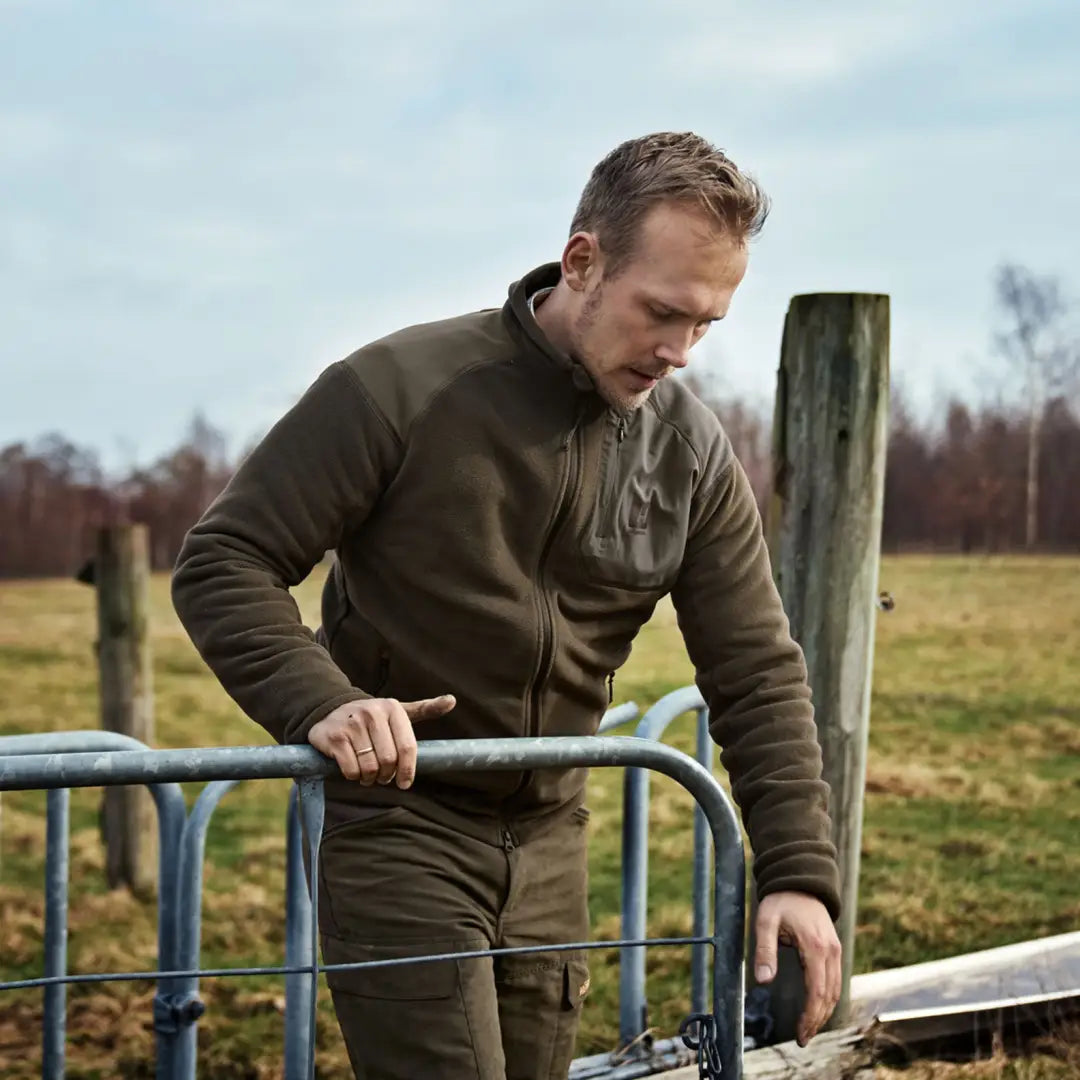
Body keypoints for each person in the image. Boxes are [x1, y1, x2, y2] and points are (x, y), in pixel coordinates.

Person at [172, 131, 843, 1080]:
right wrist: (325, 702)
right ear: (583, 262)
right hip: (400, 822)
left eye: (706, 325)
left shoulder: (689, 454)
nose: (680, 352)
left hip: (551, 842)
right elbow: (224, 559)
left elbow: (756, 670)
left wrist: (797, 876)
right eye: (663, 312)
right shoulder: (397, 389)